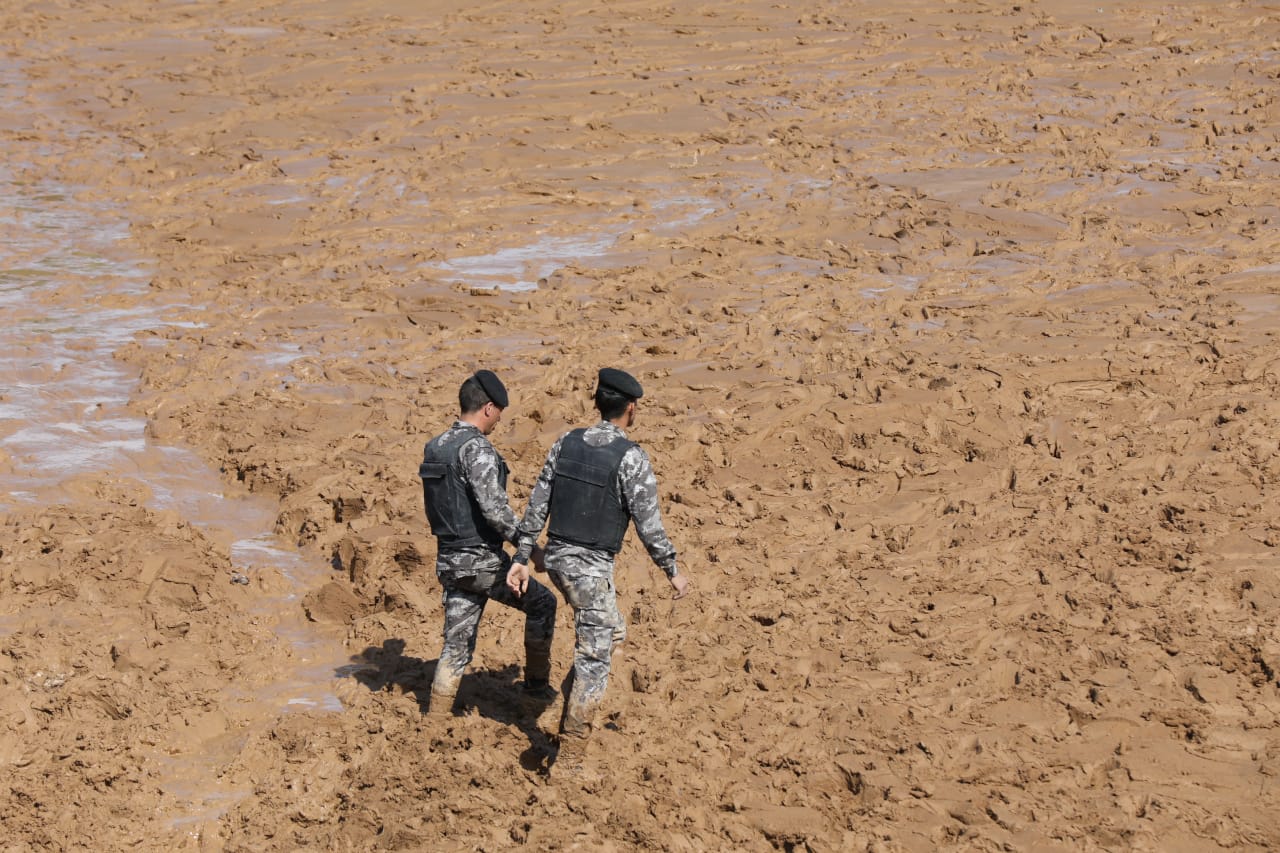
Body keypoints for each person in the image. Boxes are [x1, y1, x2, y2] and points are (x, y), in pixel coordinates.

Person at [506, 367, 689, 765]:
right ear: (631, 408)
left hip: (556, 562)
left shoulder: (565, 442)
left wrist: (522, 558)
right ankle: (571, 754)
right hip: (589, 569)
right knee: (595, 655)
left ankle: (560, 711)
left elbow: (537, 506)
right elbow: (648, 523)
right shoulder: (631, 458)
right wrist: (672, 569)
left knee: (611, 632)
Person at [418, 369, 557, 716]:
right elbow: (496, 512)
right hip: (480, 562)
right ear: (489, 409)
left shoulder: (435, 446)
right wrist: (530, 549)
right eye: (499, 415)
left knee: (456, 644)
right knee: (543, 604)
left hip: (449, 562)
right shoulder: (476, 448)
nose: (497, 423)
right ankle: (536, 692)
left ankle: (435, 714)